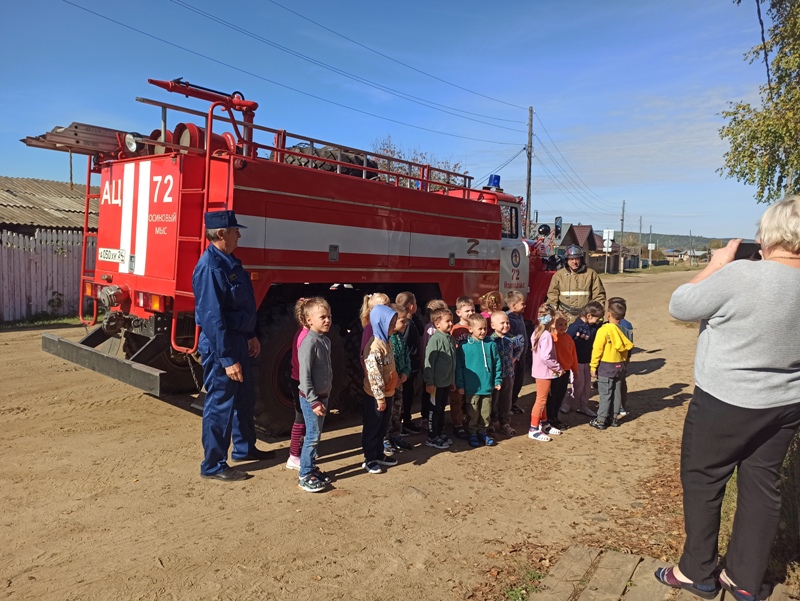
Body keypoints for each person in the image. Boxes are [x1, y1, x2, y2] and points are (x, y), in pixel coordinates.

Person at [654, 197, 800, 601]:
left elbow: (680, 305)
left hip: (725, 400)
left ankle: (696, 572)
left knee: (703, 479)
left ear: (769, 235)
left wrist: (718, 263)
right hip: (787, 403)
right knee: (762, 484)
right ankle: (745, 581)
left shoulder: (740, 275)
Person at [192, 210, 274, 482]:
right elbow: (212, 318)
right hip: (222, 345)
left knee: (244, 398)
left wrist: (250, 334)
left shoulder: (229, 263)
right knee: (220, 404)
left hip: (239, 339)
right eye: (235, 230)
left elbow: (241, 304)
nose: (239, 234)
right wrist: (227, 358)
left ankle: (244, 448)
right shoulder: (210, 268)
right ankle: (213, 464)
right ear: (221, 234)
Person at [296, 297, 333, 493]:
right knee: (312, 436)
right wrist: (314, 401)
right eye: (322, 317)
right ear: (309, 320)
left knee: (316, 435)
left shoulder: (324, 340)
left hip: (321, 396)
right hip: (312, 399)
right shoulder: (309, 342)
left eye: (329, 316)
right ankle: (304, 474)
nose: (327, 320)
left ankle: (311, 468)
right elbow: (305, 376)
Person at [361, 304, 401, 474]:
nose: (393, 327)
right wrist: (379, 397)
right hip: (376, 396)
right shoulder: (374, 347)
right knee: (372, 427)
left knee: (382, 427)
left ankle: (379, 454)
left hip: (388, 393)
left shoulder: (387, 341)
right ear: (380, 323)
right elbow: (374, 375)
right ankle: (369, 459)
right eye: (391, 324)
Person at [456, 313, 502, 448]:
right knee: (473, 412)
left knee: (486, 412)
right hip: (472, 388)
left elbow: (497, 363)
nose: (483, 331)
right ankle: (472, 433)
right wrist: (460, 384)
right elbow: (459, 367)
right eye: (480, 329)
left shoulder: (490, 344)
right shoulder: (464, 347)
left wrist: (497, 380)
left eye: (485, 328)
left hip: (487, 386)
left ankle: (483, 432)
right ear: (470, 329)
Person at [588, 300, 633, 430]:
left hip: (606, 366)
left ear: (608, 315)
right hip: (620, 366)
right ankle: (613, 418)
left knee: (605, 394)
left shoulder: (604, 330)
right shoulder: (625, 330)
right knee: (616, 392)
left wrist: (593, 366)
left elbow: (597, 350)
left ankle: (601, 420)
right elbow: (626, 351)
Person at [561, 301, 603, 417]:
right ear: (589, 315)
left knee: (586, 385)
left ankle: (583, 405)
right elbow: (566, 342)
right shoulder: (575, 327)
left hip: (588, 361)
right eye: (597, 318)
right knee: (577, 384)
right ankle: (567, 403)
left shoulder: (594, 327)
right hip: (577, 362)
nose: (598, 321)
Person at [423, 307, 457, 450]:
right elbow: (428, 362)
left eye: (451, 321)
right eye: (447, 321)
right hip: (436, 384)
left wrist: (452, 380)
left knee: (442, 408)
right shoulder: (434, 340)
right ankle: (432, 436)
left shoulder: (450, 338)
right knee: (434, 410)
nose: (450, 324)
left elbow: (453, 362)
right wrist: (430, 382)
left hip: (445, 383)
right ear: (437, 324)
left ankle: (440, 432)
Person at [546, 245, 606, 324]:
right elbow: (552, 297)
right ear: (566, 260)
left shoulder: (591, 274)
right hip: (564, 319)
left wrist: (595, 315)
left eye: (577, 258)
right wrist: (552, 316)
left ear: (581, 259)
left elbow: (599, 296)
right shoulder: (558, 275)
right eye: (571, 259)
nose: (574, 262)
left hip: (585, 318)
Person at [488, 311, 524, 437]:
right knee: (494, 400)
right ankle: (492, 422)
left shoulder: (512, 339)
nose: (505, 325)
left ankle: (505, 423)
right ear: (493, 325)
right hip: (495, 377)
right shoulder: (490, 340)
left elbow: (520, 346)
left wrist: (515, 358)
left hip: (508, 375)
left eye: (507, 322)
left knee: (506, 400)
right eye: (502, 323)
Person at [529, 304, 561, 442]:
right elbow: (545, 356)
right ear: (552, 318)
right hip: (544, 372)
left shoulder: (536, 331)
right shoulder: (546, 335)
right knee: (541, 400)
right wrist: (557, 367)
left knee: (543, 398)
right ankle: (533, 428)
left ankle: (544, 423)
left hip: (539, 371)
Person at [286, 299, 310, 471]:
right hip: (302, 383)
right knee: (301, 419)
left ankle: (300, 451)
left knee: (305, 420)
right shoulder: (306, 338)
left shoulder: (302, 333)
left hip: (301, 381)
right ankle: (294, 455)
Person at [386, 303, 413, 453]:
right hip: (389, 383)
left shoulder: (400, 338)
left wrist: (405, 372)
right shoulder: (387, 339)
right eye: (402, 320)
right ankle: (385, 438)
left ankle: (395, 435)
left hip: (399, 383)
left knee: (397, 410)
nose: (405, 323)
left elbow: (406, 357)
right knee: (387, 413)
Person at [395, 291, 423, 435]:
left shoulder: (409, 322)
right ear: (412, 306)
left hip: (409, 367)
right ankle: (405, 421)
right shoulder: (408, 325)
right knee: (406, 395)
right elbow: (405, 346)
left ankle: (405, 420)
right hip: (409, 368)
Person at [420, 299, 448, 433]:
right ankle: (429, 423)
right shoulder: (431, 330)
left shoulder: (435, 330)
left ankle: (434, 424)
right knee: (431, 398)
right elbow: (427, 350)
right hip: (432, 370)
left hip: (436, 371)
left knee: (436, 400)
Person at [547, 312, 579, 431]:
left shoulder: (568, 338)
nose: (563, 326)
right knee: (552, 396)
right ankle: (550, 418)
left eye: (565, 324)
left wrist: (575, 370)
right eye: (560, 324)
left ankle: (555, 417)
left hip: (565, 371)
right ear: (553, 324)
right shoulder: (551, 338)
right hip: (554, 372)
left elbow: (573, 355)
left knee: (560, 395)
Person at [449, 296, 475, 440]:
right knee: (457, 398)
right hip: (458, 367)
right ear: (458, 312)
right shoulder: (455, 329)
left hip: (471, 368)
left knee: (469, 396)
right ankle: (457, 424)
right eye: (467, 310)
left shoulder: (476, 327)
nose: (470, 313)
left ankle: (468, 420)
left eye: (472, 309)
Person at [607, 296, 633, 420]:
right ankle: (621, 406)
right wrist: (628, 357)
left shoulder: (607, 325)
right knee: (621, 382)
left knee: (610, 384)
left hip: (609, 360)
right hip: (623, 360)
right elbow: (630, 344)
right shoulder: (628, 325)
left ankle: (612, 407)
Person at [505, 290, 528, 415]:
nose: (525, 306)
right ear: (514, 305)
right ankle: (507, 405)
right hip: (513, 356)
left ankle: (513, 403)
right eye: (522, 304)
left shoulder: (520, 316)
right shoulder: (508, 318)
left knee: (519, 380)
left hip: (522, 355)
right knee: (511, 382)